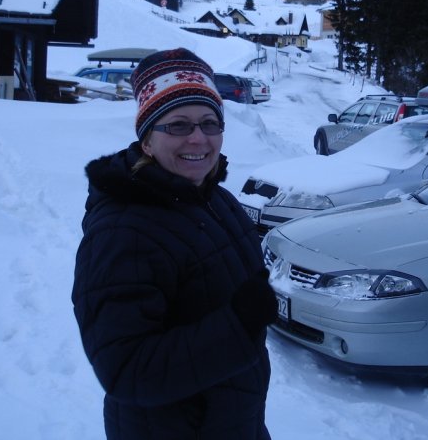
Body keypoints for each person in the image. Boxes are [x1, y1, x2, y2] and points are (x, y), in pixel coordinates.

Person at [72, 47, 277, 440]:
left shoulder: (217, 200)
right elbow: (126, 370)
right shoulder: (123, 231)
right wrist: (238, 325)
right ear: (148, 141)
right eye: (178, 125)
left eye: (209, 123)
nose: (198, 138)